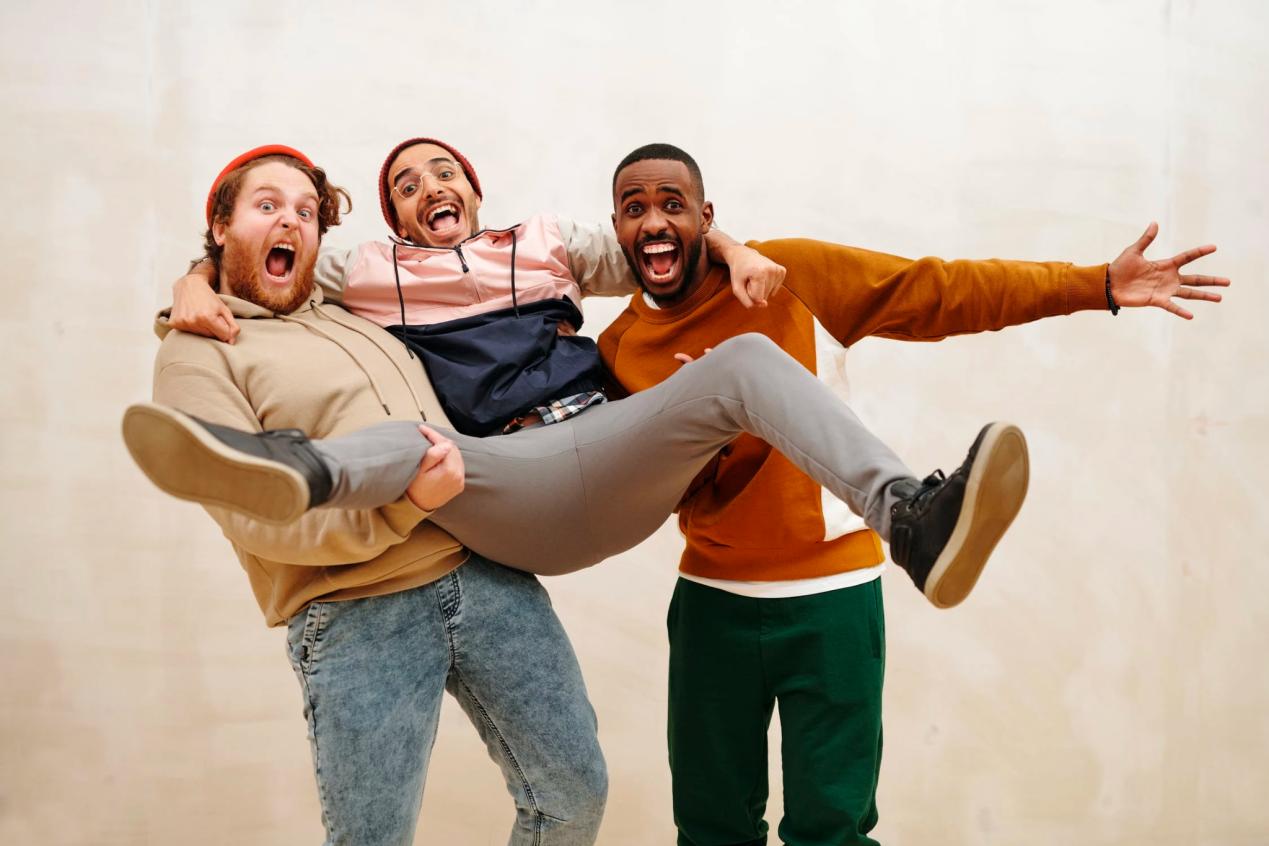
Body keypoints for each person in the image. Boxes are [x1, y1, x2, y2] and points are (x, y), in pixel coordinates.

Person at [130, 144, 1036, 845]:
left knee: (745, 362)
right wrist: (194, 283)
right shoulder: (351, 284)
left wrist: (731, 244)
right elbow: (253, 272)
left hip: (569, 483)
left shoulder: (515, 253)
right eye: (403, 184)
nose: (428, 187)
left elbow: (663, 239)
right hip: (479, 501)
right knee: (414, 444)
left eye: (303, 209)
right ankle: (293, 470)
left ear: (475, 189)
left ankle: (910, 518)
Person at [596, 143, 1228, 846]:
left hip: (833, 602)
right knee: (709, 830)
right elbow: (636, 491)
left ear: (706, 217)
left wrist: (1096, 285)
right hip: (711, 605)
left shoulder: (792, 277)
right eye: (634, 208)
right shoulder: (619, 349)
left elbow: (940, 290)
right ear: (616, 229)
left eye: (673, 204)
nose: (655, 220)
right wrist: (695, 427)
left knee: (832, 831)